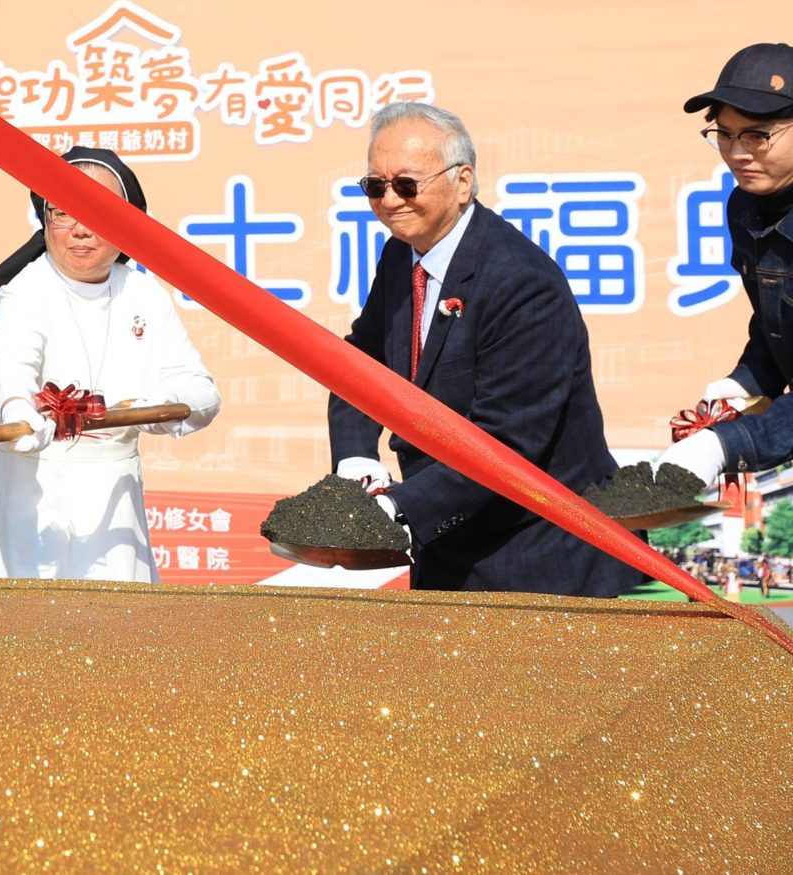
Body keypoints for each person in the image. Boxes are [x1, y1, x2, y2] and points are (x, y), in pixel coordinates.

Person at [327, 101, 632, 596]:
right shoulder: (401, 254)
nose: (388, 201)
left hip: (541, 555)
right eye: (374, 186)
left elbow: (508, 443)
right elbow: (360, 364)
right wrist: (355, 460)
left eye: (406, 184)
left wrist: (395, 510)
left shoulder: (522, 283)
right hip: (446, 540)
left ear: (463, 182)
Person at [0, 148, 220, 581]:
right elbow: (5, 368)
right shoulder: (27, 289)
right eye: (63, 213)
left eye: (96, 214)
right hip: (28, 497)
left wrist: (158, 405)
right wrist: (19, 410)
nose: (79, 231)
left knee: (115, 638)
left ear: (126, 224)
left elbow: (201, 391)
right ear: (44, 218)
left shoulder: (145, 295)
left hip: (114, 505)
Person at [658, 45, 793, 489]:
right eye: (725, 134)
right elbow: (776, 317)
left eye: (756, 135)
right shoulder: (744, 205)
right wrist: (746, 381)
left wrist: (723, 446)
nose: (738, 153)